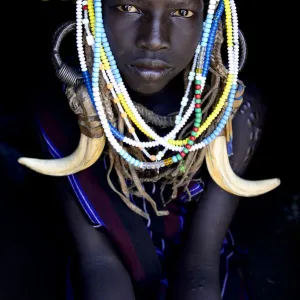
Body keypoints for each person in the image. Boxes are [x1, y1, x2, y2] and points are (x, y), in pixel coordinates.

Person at [2, 0, 280, 299]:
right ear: (93, 12)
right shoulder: (63, 109)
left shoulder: (233, 113)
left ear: (209, 23)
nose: (155, 40)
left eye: (182, 12)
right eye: (128, 8)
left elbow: (202, 265)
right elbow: (98, 262)